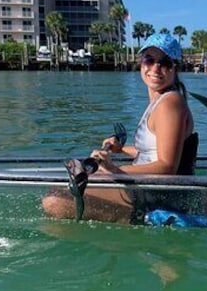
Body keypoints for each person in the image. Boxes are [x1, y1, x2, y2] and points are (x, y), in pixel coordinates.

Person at [42, 33, 197, 223]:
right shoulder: (160, 100)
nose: (156, 68)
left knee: (55, 201)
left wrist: (114, 170)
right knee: (67, 188)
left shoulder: (169, 103)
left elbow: (167, 166)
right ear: (141, 63)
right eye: (149, 59)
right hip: (145, 186)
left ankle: (136, 219)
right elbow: (152, 151)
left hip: (154, 194)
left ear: (175, 67)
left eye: (164, 62)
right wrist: (120, 149)